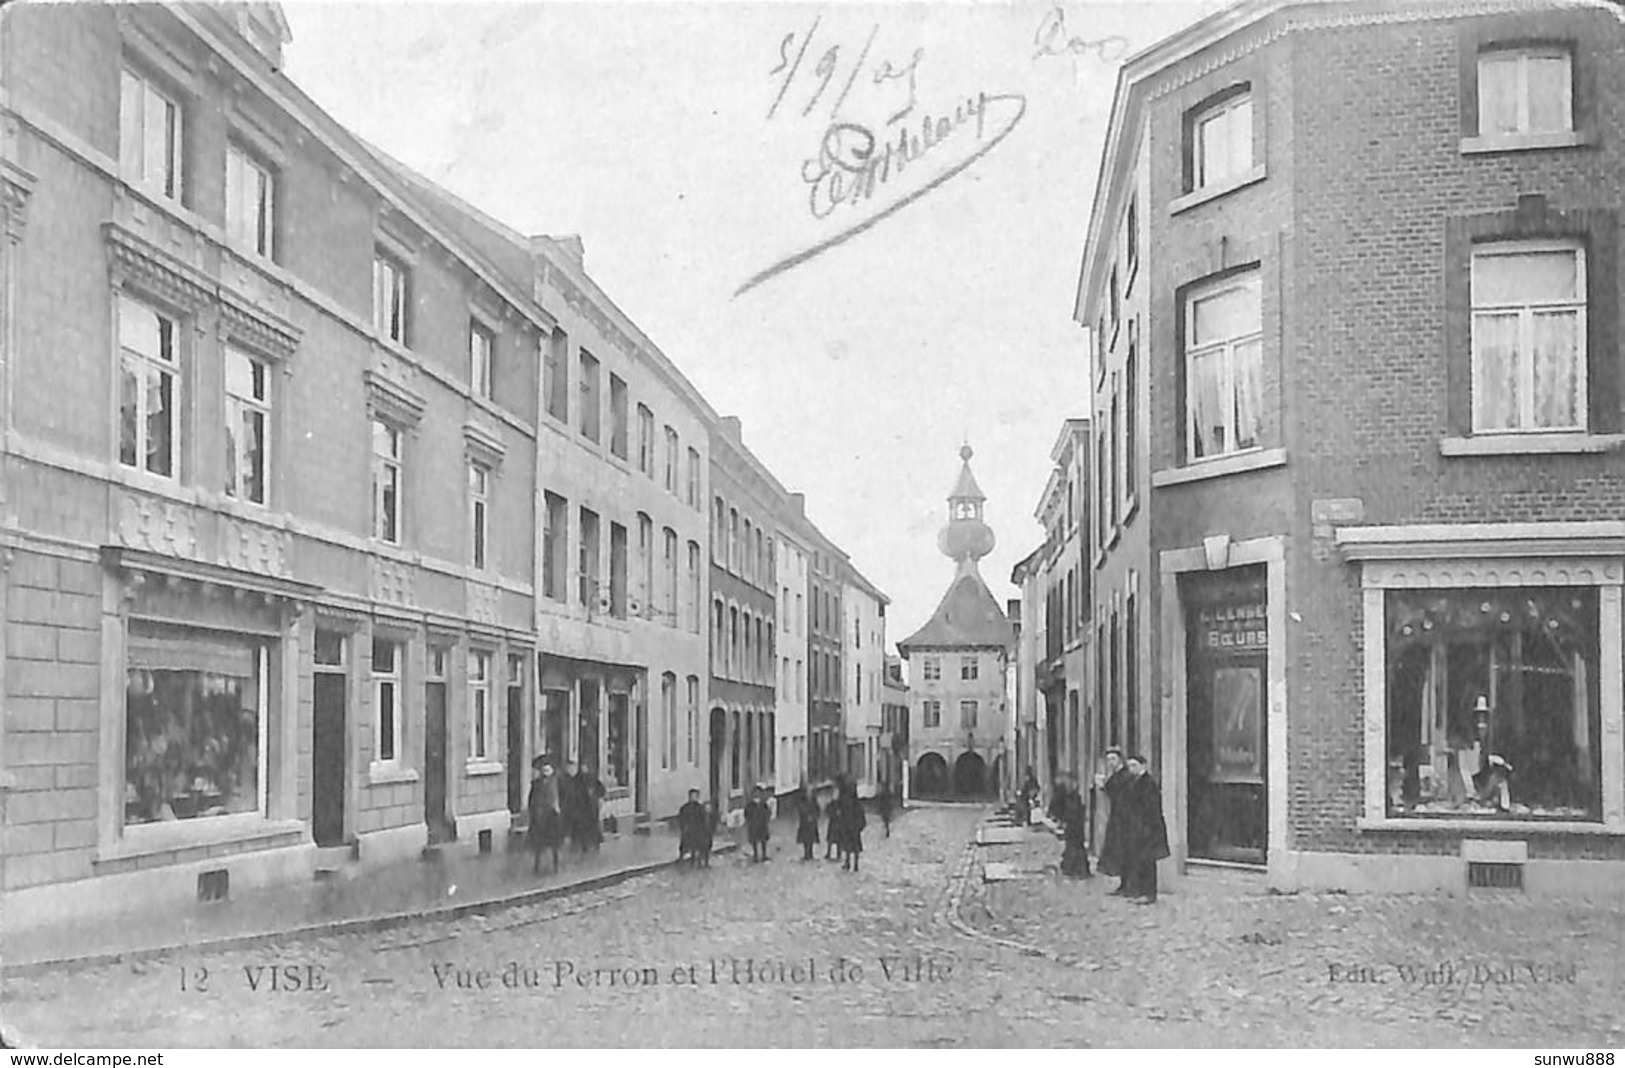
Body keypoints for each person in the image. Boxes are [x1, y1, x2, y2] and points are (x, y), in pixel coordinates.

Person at [1118, 754, 1170, 904]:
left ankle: (1149, 893)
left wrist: (1147, 827)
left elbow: (1151, 808)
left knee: (1147, 861)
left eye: (1134, 765)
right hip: (1136, 826)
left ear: (1143, 765)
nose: (1131, 769)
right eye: (1129, 767)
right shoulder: (1133, 782)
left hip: (1148, 827)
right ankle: (1139, 891)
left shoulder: (1148, 784)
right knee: (1138, 860)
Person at [1095, 749, 1129, 895]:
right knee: (1117, 851)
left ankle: (1128, 884)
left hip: (1125, 819)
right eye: (1108, 760)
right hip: (1117, 817)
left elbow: (1120, 794)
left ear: (1120, 760)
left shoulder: (1125, 775)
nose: (1110, 763)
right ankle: (1123, 883)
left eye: (1113, 759)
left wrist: (1104, 785)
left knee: (1123, 850)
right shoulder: (1116, 775)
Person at [526, 758, 564, 875]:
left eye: (548, 770)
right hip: (540, 817)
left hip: (552, 817)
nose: (545, 772)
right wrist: (533, 811)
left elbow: (563, 797)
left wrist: (559, 808)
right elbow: (531, 799)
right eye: (543, 770)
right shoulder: (536, 783)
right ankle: (537, 866)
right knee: (538, 844)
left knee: (554, 844)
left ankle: (555, 865)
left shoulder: (557, 782)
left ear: (552, 771)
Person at [574, 763, 606, 852]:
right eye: (582, 768)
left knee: (593, 826)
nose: (583, 769)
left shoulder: (592, 779)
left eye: (585, 768)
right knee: (584, 828)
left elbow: (601, 789)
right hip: (582, 808)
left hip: (592, 807)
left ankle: (595, 844)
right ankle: (585, 845)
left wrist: (599, 799)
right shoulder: (577, 780)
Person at [676, 788, 712, 868]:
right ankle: (681, 860)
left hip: (698, 831)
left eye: (695, 796)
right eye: (692, 796)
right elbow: (681, 819)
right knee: (684, 846)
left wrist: (704, 830)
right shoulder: (685, 808)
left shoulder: (700, 808)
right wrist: (683, 827)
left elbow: (703, 820)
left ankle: (700, 861)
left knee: (700, 845)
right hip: (688, 831)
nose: (693, 798)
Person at [837, 780, 866, 872]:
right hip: (855, 826)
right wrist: (860, 825)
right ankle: (855, 864)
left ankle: (848, 862)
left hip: (848, 825)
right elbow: (861, 815)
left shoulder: (846, 801)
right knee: (855, 845)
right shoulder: (857, 802)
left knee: (848, 845)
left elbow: (842, 814)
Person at [744, 785, 772, 862]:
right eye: (755, 794)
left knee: (763, 840)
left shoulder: (763, 804)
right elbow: (746, 814)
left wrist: (766, 819)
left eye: (758, 793)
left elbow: (767, 812)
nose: (757, 796)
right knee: (754, 841)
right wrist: (750, 822)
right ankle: (756, 855)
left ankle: (764, 855)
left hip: (762, 825)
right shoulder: (750, 805)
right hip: (753, 826)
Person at [795, 784, 821, 860]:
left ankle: (811, 852)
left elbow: (818, 811)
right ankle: (806, 853)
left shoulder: (814, 801)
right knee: (805, 838)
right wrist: (806, 815)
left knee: (811, 838)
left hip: (812, 823)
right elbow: (800, 809)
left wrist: (813, 817)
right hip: (804, 823)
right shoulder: (802, 801)